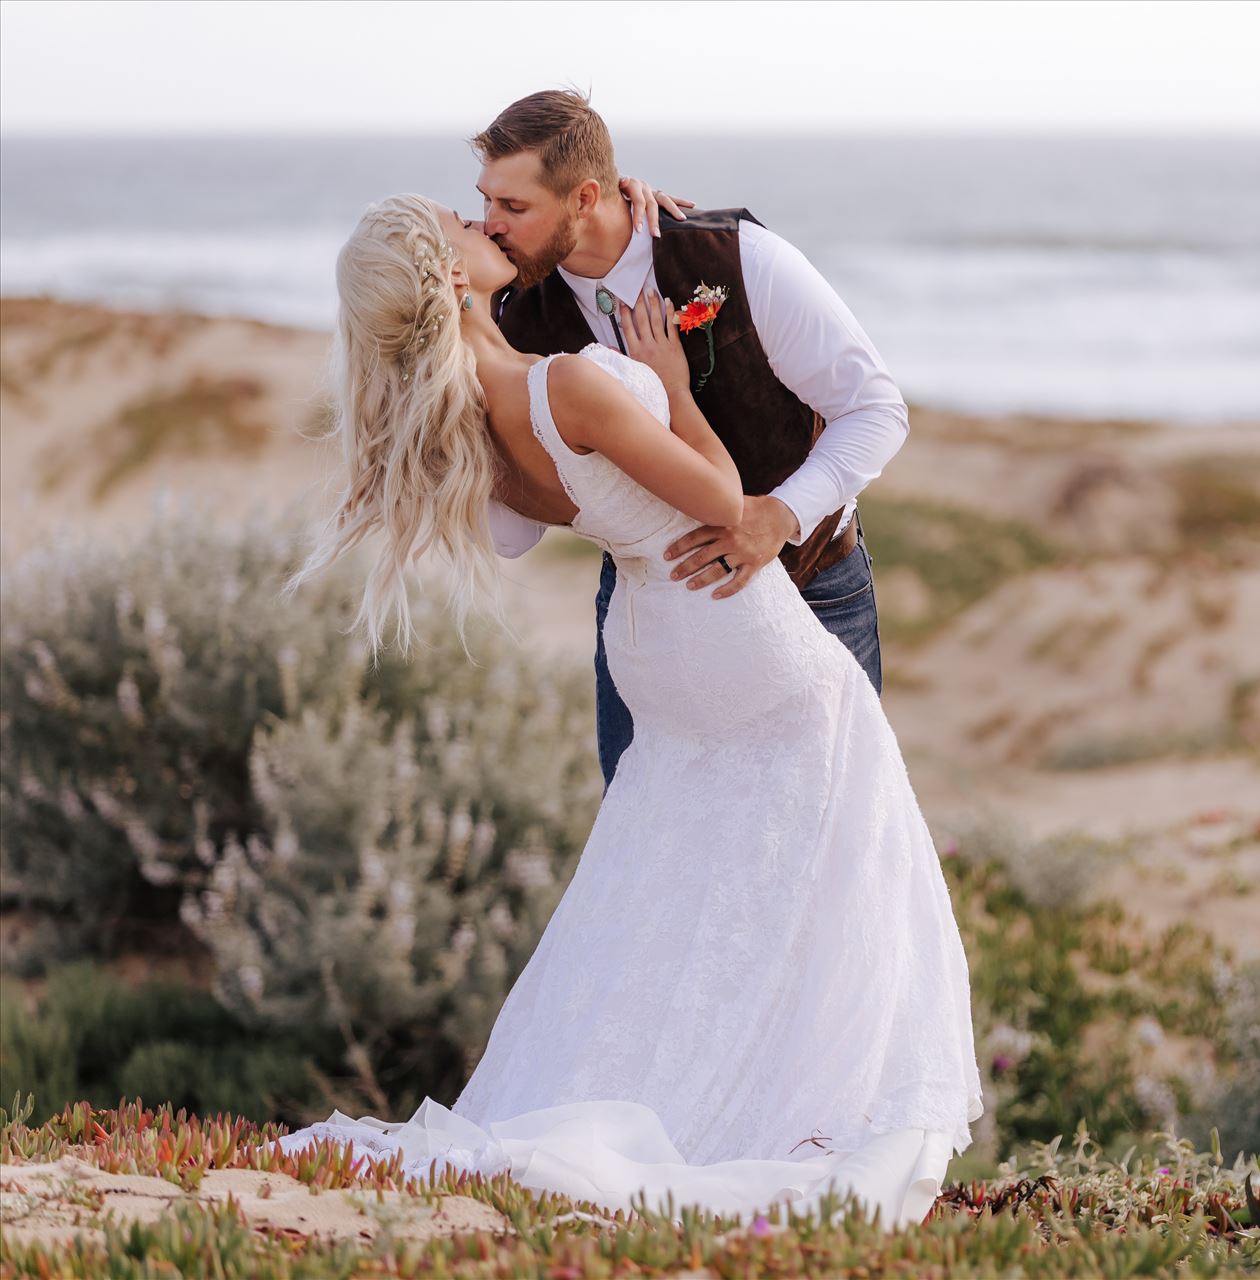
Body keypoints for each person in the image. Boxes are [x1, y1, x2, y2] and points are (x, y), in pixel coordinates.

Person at [267, 189, 982, 1231]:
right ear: (451, 277)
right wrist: (673, 386)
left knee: (665, 877)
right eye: (464, 223)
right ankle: (787, 1110)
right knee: (832, 862)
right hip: (731, 630)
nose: (485, 224)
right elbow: (726, 505)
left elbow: (540, 520)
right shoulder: (563, 385)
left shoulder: (474, 408)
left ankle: (698, 1083)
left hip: (650, 641)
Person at [474, 89, 905, 791]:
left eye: (513, 208)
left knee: (834, 840)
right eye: (486, 202)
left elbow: (876, 409)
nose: (491, 226)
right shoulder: (515, 323)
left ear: (586, 198)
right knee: (655, 850)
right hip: (651, 625)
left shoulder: (736, 258)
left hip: (812, 589)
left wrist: (782, 516)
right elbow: (513, 536)